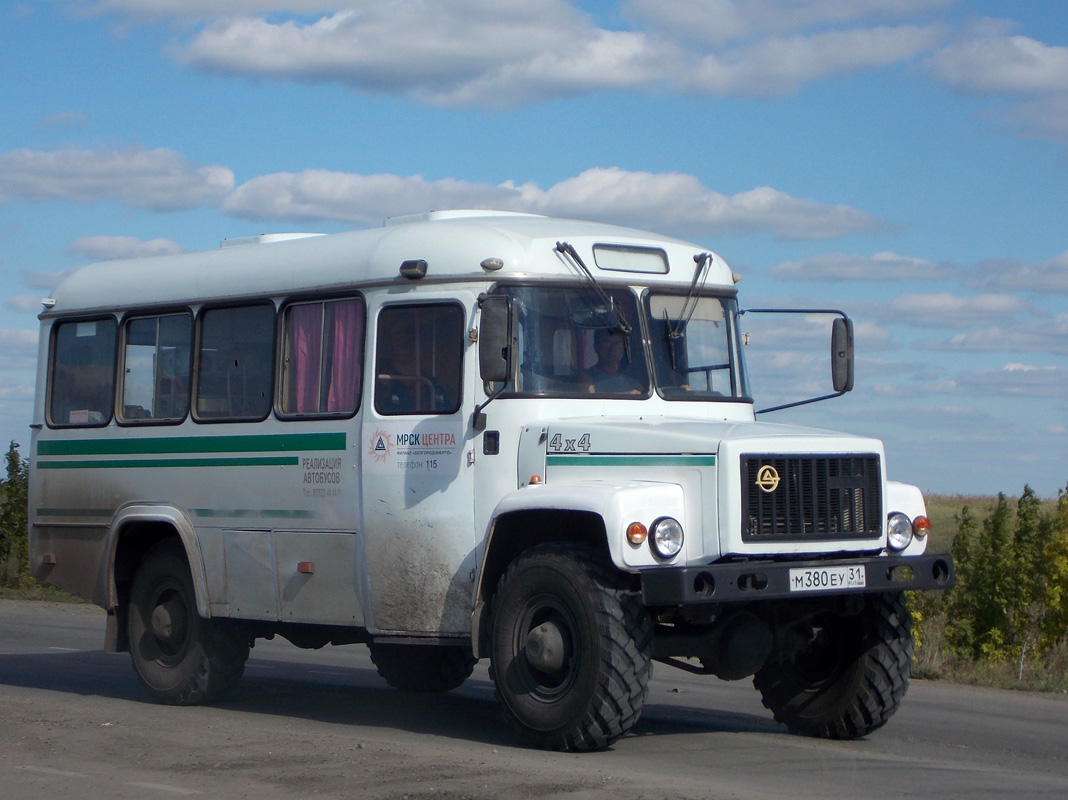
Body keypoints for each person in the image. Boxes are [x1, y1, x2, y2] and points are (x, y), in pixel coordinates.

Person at [585, 327, 644, 394]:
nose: (613, 348)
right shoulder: (585, 379)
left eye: (617, 343)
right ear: (596, 347)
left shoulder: (632, 384)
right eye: (607, 342)